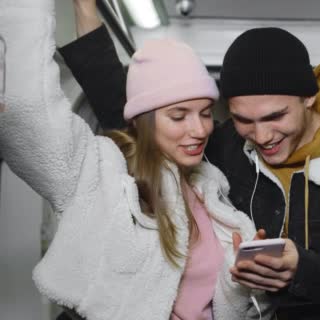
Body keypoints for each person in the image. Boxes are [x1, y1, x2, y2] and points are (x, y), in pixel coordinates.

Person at [59, 2, 320, 319]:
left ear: (309, 97)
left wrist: (304, 271)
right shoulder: (224, 148)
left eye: (275, 117)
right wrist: (85, 6)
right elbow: (132, 121)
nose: (261, 137)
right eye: (243, 120)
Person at [0, 1, 274, 319]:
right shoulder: (100, 175)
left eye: (205, 113)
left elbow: (225, 304)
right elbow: (29, 111)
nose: (199, 129)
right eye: (178, 116)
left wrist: (242, 279)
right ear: (144, 120)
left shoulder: (211, 191)